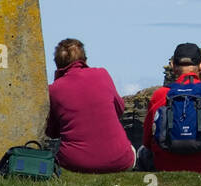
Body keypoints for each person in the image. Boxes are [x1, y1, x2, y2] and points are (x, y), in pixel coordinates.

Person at [138, 42, 201, 179]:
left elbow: (147, 141)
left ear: (173, 65)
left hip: (165, 168)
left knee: (142, 151)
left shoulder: (159, 95)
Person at [45, 38, 136, 173]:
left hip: (75, 163)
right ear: (84, 60)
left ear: (57, 64)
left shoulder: (53, 90)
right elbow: (120, 109)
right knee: (134, 150)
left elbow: (52, 132)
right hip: (120, 161)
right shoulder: (102, 74)